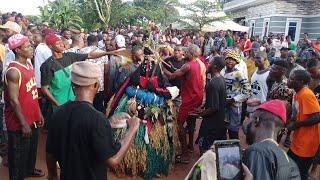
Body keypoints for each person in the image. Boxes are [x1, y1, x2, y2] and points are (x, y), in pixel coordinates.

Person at [46, 61, 140, 180]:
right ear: (96, 85)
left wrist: (52, 175)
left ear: (72, 83)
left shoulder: (58, 113)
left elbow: (50, 152)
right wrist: (132, 128)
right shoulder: (97, 119)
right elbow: (113, 160)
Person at [4, 34, 45, 179]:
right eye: (27, 46)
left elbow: (33, 92)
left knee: (31, 149)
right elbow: (14, 101)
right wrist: (23, 124)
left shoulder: (28, 64)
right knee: (17, 156)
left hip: (31, 117)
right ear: (18, 50)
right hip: (18, 123)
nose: (31, 48)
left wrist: (38, 113)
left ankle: (29, 169)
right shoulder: (13, 71)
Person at [40, 33, 109, 113]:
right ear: (50, 46)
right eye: (58, 44)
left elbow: (89, 55)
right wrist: (56, 103)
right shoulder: (47, 66)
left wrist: (107, 53)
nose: (62, 45)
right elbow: (44, 88)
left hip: (73, 99)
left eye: (61, 42)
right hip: (59, 103)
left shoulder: (69, 56)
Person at [163, 44, 205, 162]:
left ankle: (185, 154)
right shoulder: (198, 63)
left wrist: (162, 68)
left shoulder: (187, 65)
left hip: (189, 99)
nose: (184, 54)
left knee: (179, 124)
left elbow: (171, 76)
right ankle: (190, 146)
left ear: (191, 54)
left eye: (186, 52)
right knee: (191, 122)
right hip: (197, 97)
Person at [243, 100, 300, 179]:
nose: (247, 121)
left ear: (256, 121)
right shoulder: (289, 161)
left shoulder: (257, 151)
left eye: (250, 118)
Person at [287, 70, 320, 180]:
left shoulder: (306, 94)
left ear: (300, 82)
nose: (289, 80)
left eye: (292, 78)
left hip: (307, 143)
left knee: (301, 173)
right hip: (299, 139)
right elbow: (299, 113)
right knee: (290, 165)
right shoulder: (298, 93)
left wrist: (296, 124)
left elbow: (317, 117)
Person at [196, 57, 227, 155]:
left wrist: (202, 113)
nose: (208, 65)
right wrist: (204, 105)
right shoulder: (221, 79)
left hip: (212, 121)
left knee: (204, 145)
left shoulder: (214, 83)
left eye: (210, 63)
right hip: (219, 120)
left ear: (215, 66)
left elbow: (214, 107)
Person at [221, 50, 251, 139]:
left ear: (236, 62)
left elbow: (247, 91)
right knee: (222, 128)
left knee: (233, 131)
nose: (230, 61)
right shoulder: (222, 72)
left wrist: (234, 99)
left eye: (233, 59)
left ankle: (234, 150)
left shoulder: (239, 73)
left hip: (234, 106)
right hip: (223, 105)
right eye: (228, 58)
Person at [80, 35, 109, 113]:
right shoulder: (103, 53)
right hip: (99, 86)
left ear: (87, 42)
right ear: (97, 42)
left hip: (85, 86)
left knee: (86, 110)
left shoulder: (81, 52)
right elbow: (106, 71)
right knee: (98, 108)